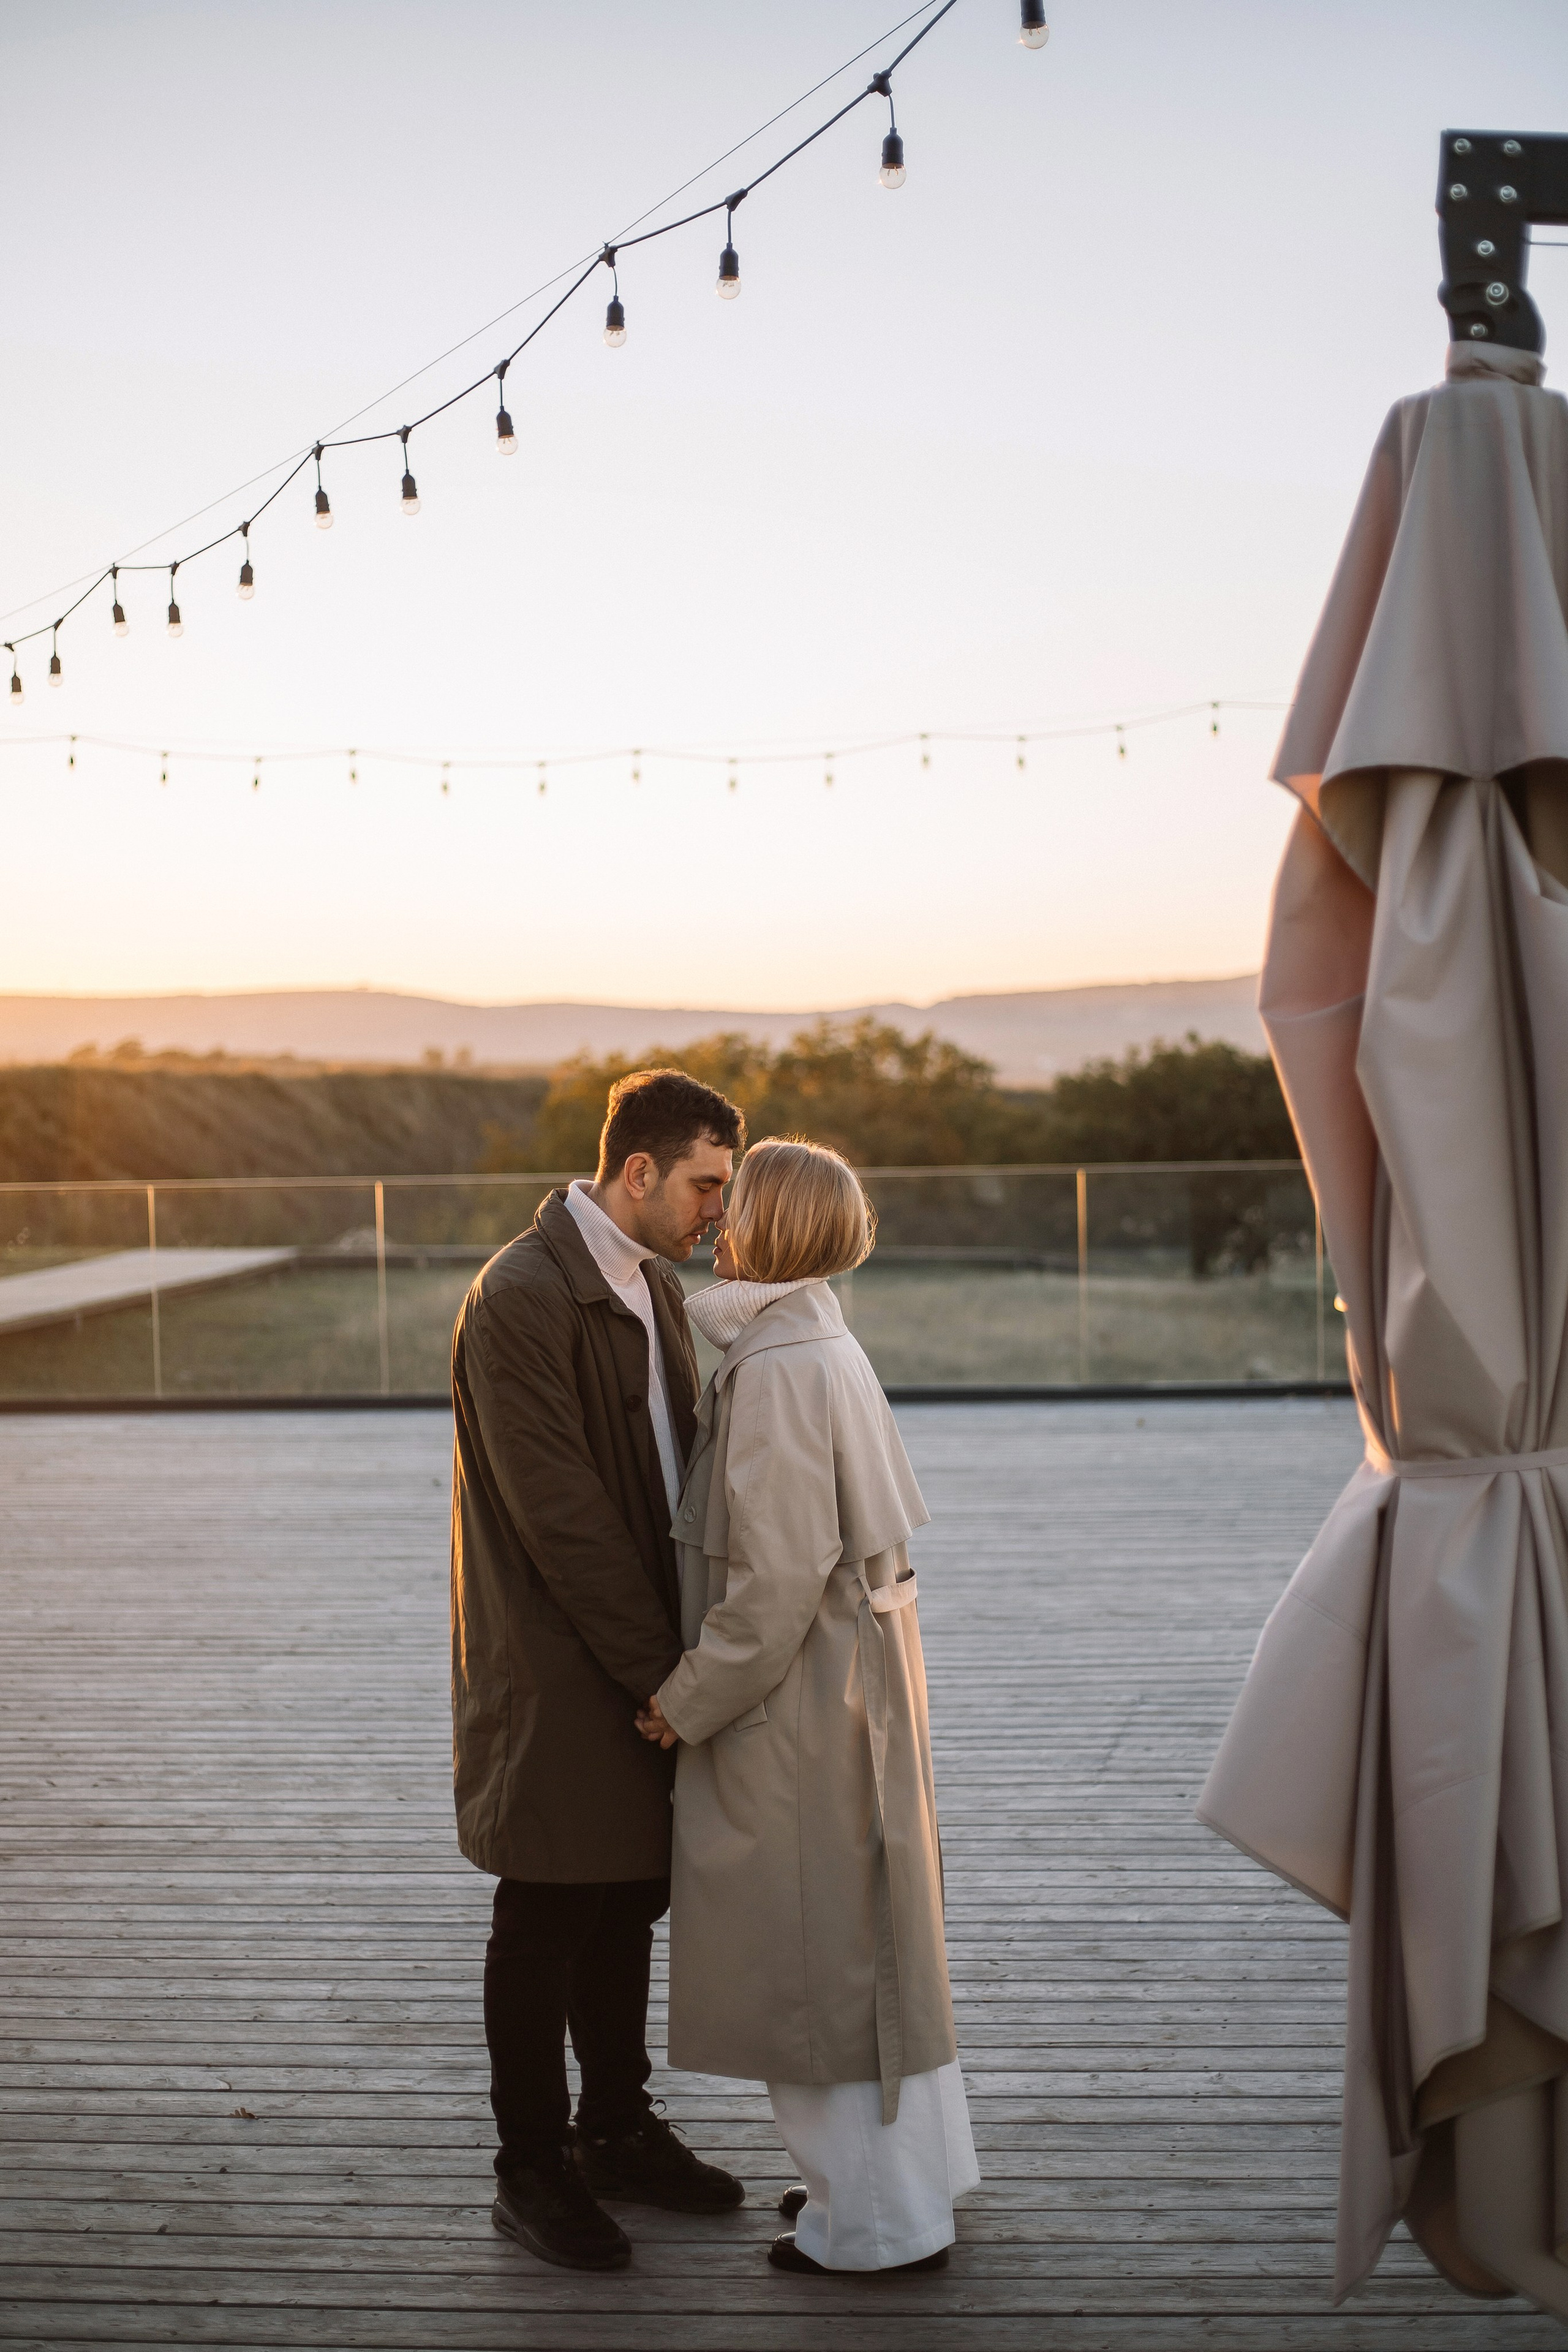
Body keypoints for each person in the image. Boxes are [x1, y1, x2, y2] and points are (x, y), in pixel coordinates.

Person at [637, 1136, 978, 2275]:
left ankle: (873, 2223)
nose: (717, 1217)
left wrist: (684, 1702)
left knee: (814, 1968)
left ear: (767, 1226)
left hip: (803, 1706)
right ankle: (913, 2182)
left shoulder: (777, 1369)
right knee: (874, 1950)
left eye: (735, 1203)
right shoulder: (818, 1336)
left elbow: (774, 1581)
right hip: (856, 1685)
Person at [450, 1068, 749, 2272]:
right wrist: (671, 1680)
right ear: (636, 1172)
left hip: (645, 1658)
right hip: (561, 1662)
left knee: (626, 1894)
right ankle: (531, 2168)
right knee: (546, 1908)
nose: (716, 1210)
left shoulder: (654, 1285)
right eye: (704, 1185)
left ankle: (614, 2129)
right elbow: (562, 1521)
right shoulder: (520, 1299)